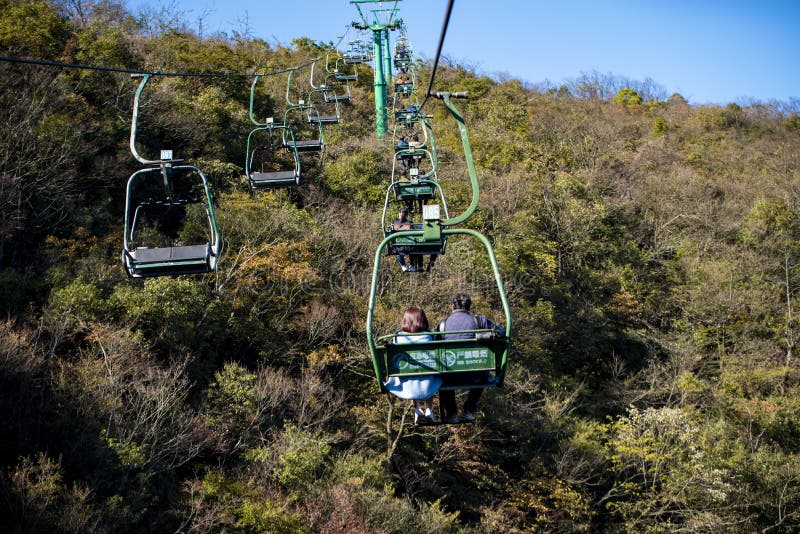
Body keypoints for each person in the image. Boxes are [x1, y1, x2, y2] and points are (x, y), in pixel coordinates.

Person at [437, 293, 506, 423]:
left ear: (452, 307)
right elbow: (501, 333)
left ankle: (451, 413)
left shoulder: (443, 325)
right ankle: (468, 410)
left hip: (451, 376)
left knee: (442, 374)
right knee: (482, 369)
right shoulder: (480, 321)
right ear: (469, 307)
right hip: (476, 376)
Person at [384, 306, 441, 424]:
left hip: (407, 384)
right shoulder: (430, 335)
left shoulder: (398, 337)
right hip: (429, 383)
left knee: (411, 372)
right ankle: (429, 410)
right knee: (429, 371)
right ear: (422, 320)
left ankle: (417, 409)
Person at [391, 207, 423, 272]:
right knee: (414, 248)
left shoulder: (394, 222)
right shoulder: (410, 223)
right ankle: (412, 265)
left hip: (398, 247)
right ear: (407, 215)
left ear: (399, 214)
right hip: (409, 247)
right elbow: (415, 232)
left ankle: (403, 265)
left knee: (397, 250)